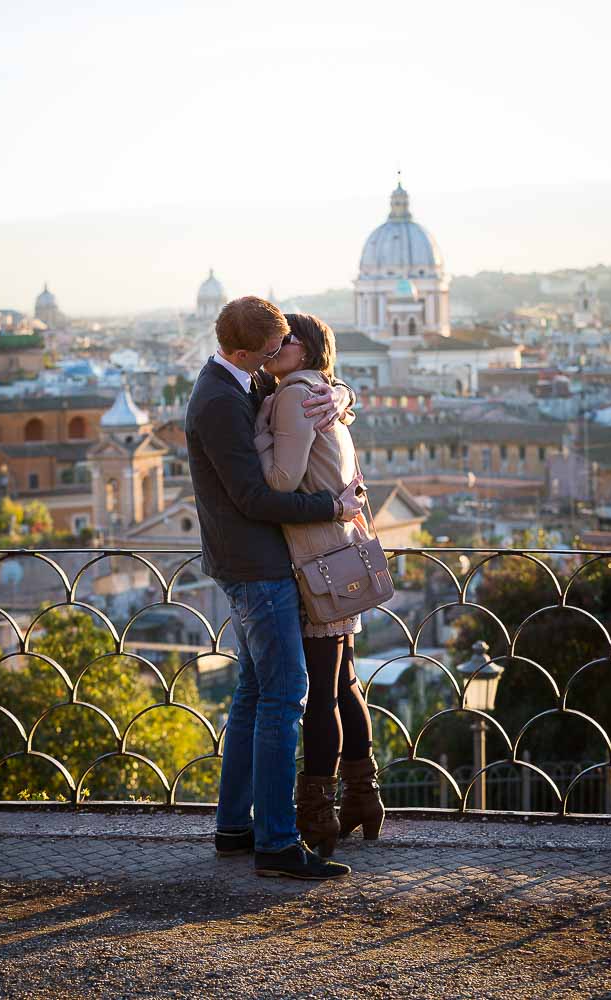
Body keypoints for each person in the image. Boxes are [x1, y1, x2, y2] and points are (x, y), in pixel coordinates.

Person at [185, 296, 365, 880]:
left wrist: (342, 394)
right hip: (256, 565)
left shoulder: (239, 380)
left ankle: (235, 828)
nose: (275, 361)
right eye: (269, 351)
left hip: (250, 562)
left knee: (252, 696)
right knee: (286, 695)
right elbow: (255, 497)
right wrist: (331, 506)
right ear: (243, 351)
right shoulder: (217, 400)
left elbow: (307, 379)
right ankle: (277, 842)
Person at [254, 313, 385, 857]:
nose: (274, 345)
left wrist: (259, 436)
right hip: (344, 552)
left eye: (286, 339)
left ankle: (317, 812)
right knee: (346, 678)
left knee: (320, 693)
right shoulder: (322, 390)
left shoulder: (291, 396)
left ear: (304, 350)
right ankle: (363, 796)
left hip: (315, 559)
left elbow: (281, 480)